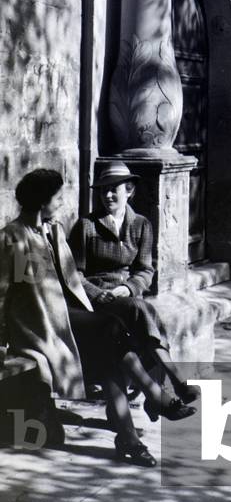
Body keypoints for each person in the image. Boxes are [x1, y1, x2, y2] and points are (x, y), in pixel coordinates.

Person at [0, 168, 195, 467]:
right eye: (58, 197)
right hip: (39, 326)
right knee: (111, 330)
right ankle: (151, 401)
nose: (63, 202)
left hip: (67, 318)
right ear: (42, 201)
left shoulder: (54, 231)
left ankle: (129, 438)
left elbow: (70, 284)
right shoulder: (15, 237)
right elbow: (6, 293)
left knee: (111, 346)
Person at [68, 162, 197, 411]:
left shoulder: (141, 225)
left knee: (139, 308)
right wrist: (99, 293)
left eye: (114, 189)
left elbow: (145, 270)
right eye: (103, 190)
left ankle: (162, 391)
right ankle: (176, 380)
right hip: (96, 299)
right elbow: (76, 276)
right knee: (141, 309)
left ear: (129, 190)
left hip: (126, 296)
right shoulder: (86, 226)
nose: (107, 195)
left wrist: (128, 288)